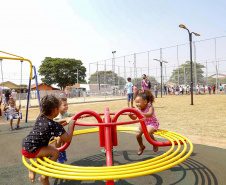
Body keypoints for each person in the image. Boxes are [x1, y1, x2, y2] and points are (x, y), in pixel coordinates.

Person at [21, 95, 75, 185]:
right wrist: (71, 125)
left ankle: (32, 167)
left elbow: (53, 122)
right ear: (55, 110)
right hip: (31, 149)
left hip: (28, 144)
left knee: (50, 149)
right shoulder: (54, 125)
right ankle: (44, 177)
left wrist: (65, 119)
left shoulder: (41, 116)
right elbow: (68, 139)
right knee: (55, 153)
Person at [128, 89, 159, 155]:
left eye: (138, 102)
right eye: (136, 102)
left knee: (147, 132)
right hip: (144, 123)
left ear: (145, 101)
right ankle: (141, 146)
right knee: (137, 134)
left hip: (152, 123)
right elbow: (135, 118)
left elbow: (149, 114)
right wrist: (130, 116)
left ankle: (154, 142)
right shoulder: (138, 109)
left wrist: (140, 113)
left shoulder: (150, 107)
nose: (137, 104)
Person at [53, 98, 75, 163]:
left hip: (59, 130)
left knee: (65, 138)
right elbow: (58, 122)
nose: (66, 106)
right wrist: (66, 120)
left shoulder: (65, 113)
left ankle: (63, 151)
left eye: (67, 105)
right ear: (58, 107)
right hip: (52, 131)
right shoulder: (58, 114)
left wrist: (79, 115)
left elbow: (72, 115)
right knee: (59, 139)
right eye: (64, 105)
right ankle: (58, 154)